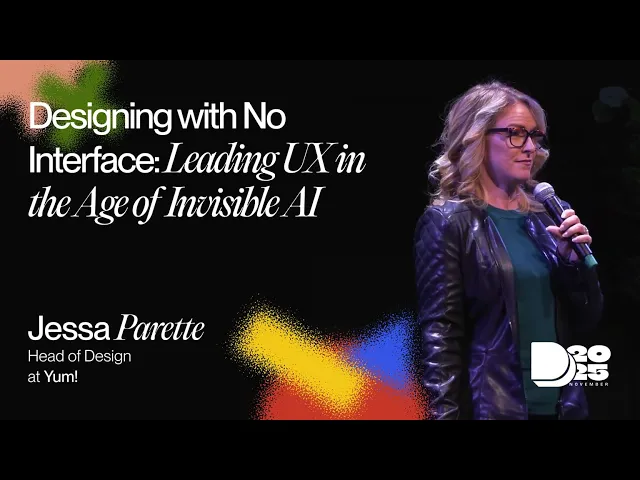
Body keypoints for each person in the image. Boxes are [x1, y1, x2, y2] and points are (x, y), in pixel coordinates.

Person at [414, 80, 604, 420]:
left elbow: (587, 321)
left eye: (535, 135)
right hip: (495, 409)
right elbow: (441, 337)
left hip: (564, 407)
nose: (530, 147)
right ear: (476, 138)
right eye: (516, 133)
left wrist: (574, 266)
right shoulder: (449, 222)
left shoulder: (549, 216)